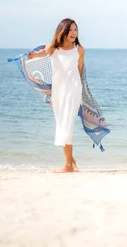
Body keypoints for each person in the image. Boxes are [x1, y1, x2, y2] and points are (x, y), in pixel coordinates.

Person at [28, 18, 85, 173]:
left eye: (76, 30)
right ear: (63, 31)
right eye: (71, 30)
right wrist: (33, 55)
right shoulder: (52, 48)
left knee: (66, 124)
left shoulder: (79, 50)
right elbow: (41, 53)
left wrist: (80, 90)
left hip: (73, 90)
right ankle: (71, 161)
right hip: (58, 92)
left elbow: (80, 71)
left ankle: (67, 166)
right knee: (61, 123)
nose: (74, 33)